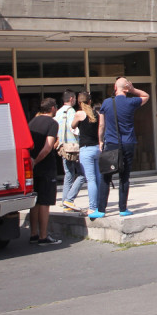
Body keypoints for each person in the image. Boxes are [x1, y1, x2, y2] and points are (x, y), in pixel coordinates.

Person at [98, 77, 149, 217]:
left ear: (115, 87)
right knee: (124, 176)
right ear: (126, 89)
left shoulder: (106, 103)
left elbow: (101, 125)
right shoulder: (131, 102)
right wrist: (132, 90)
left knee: (105, 176)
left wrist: (100, 141)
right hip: (128, 142)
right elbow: (146, 96)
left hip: (111, 142)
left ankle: (101, 209)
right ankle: (122, 208)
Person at [28, 98, 62, 246]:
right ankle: (43, 236)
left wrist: (32, 161)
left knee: (35, 202)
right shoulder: (52, 123)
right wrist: (36, 160)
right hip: (46, 167)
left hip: (33, 169)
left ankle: (33, 234)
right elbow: (48, 147)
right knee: (44, 202)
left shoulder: (32, 122)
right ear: (52, 108)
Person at [74, 92, 104, 220]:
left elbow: (72, 125)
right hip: (96, 148)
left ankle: (92, 207)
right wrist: (100, 141)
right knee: (98, 178)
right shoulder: (97, 114)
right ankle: (100, 205)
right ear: (90, 101)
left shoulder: (79, 114)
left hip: (86, 149)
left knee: (91, 180)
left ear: (79, 102)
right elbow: (101, 126)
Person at [55, 89, 84, 211]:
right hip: (73, 147)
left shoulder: (58, 112)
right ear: (71, 99)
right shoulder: (71, 111)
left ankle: (64, 201)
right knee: (82, 174)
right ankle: (69, 200)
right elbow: (74, 128)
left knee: (68, 174)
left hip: (63, 147)